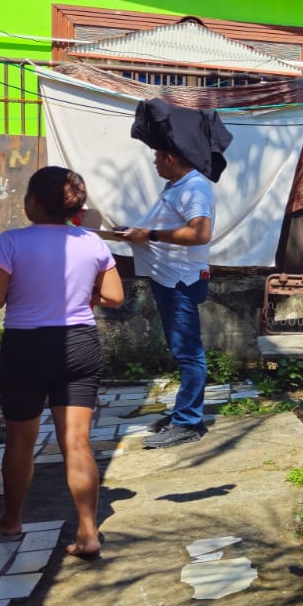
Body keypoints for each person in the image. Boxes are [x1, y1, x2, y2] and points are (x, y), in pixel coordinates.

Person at [0, 167, 123, 558]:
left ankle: (11, 519)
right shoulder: (91, 242)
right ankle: (88, 533)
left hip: (26, 347)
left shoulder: (10, 242)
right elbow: (114, 297)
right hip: (79, 343)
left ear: (33, 202)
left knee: (20, 441)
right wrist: (84, 293)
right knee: (77, 442)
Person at [123, 149, 214, 449]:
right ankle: (182, 413)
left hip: (181, 280)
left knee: (189, 352)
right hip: (169, 279)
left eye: (157, 157)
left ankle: (188, 423)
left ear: (171, 158)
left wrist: (150, 235)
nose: (154, 162)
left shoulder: (194, 187)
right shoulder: (176, 187)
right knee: (181, 349)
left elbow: (200, 234)